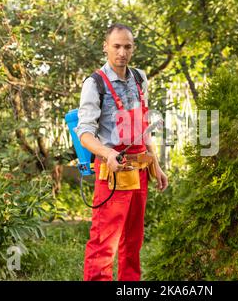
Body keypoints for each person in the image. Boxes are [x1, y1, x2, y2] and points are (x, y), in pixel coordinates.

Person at [75, 23, 168, 281]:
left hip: (139, 173)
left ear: (133, 48)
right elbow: (84, 134)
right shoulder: (95, 84)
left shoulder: (140, 78)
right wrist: (107, 154)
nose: (122, 52)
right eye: (116, 46)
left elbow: (143, 126)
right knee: (103, 245)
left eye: (127, 46)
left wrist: (156, 165)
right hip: (113, 173)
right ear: (106, 47)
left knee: (133, 244)